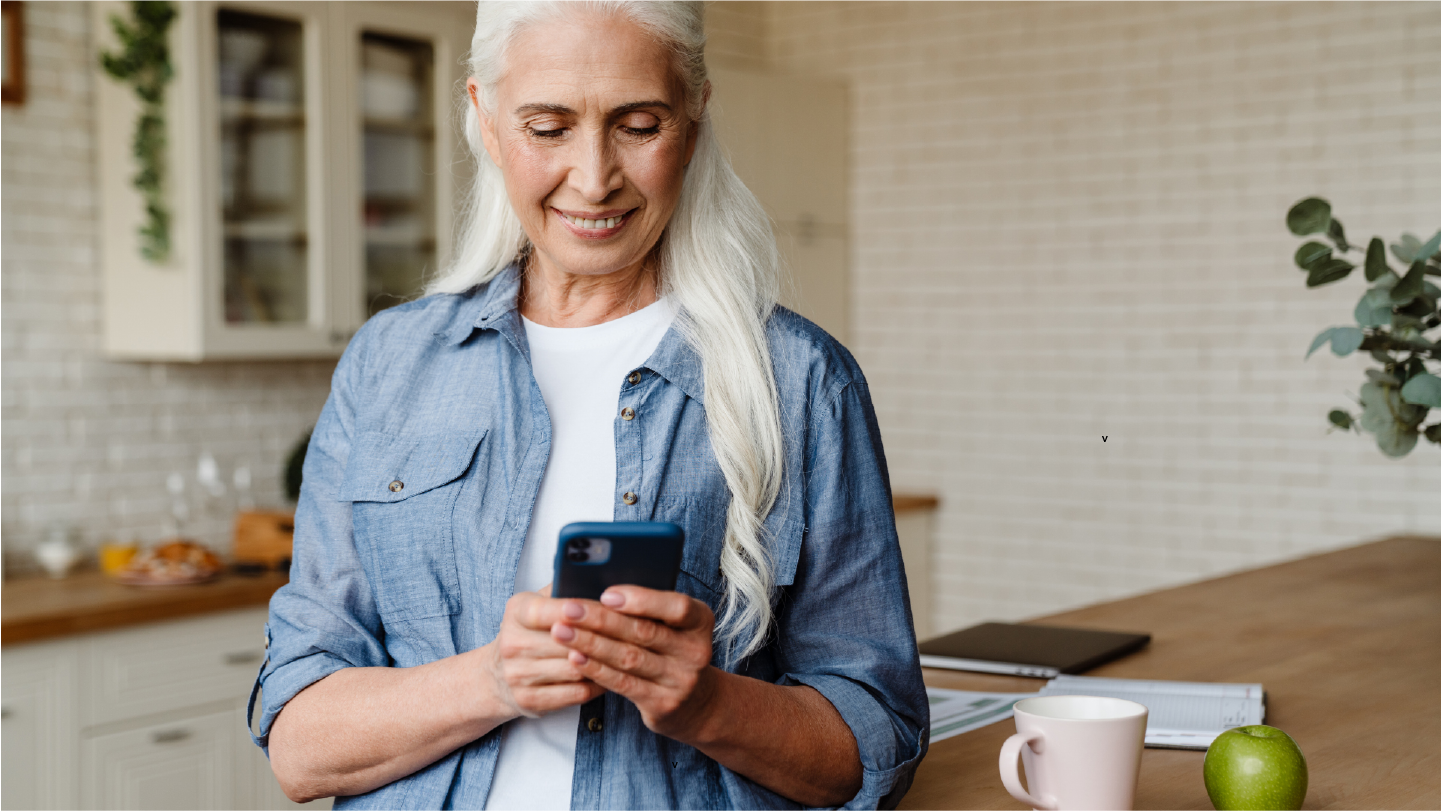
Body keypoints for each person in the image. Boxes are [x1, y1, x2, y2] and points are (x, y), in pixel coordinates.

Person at [250, 0, 927, 808]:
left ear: (696, 115)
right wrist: (494, 677)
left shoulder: (803, 380)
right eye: (547, 127)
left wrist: (704, 701)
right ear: (486, 119)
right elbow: (300, 746)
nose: (594, 175)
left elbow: (871, 743)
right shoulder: (389, 365)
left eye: (639, 125)